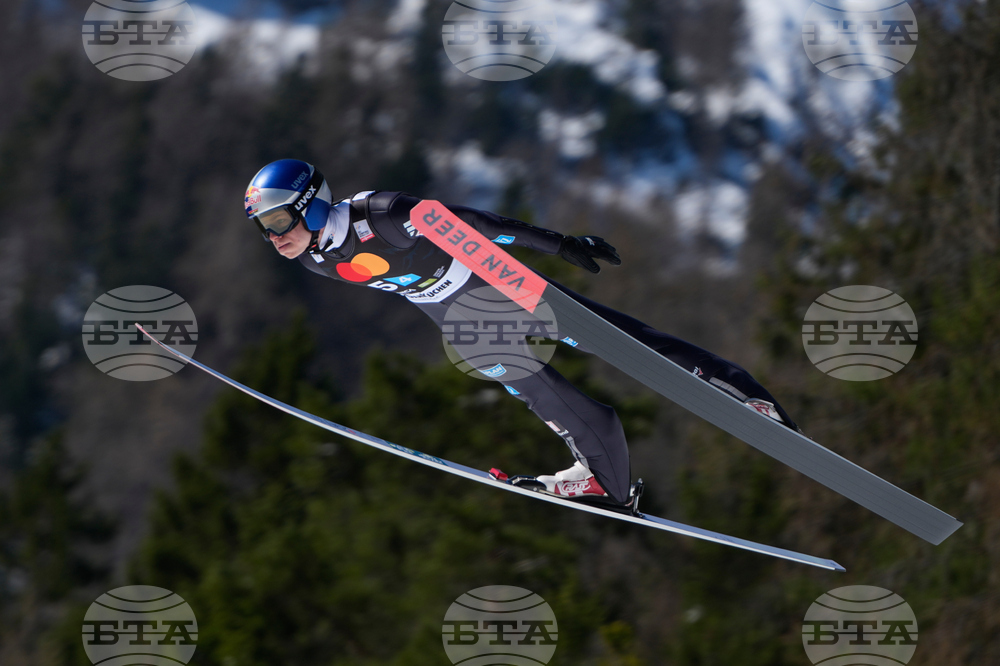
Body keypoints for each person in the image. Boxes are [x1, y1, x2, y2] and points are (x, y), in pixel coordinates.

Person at [244, 159, 801, 508]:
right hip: (456, 316)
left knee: (624, 344)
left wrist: (560, 244)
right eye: (262, 229)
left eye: (277, 222)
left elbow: (476, 224)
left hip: (494, 284)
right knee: (539, 392)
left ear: (310, 206)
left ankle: (741, 392)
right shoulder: (311, 255)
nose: (273, 238)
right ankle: (606, 480)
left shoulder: (381, 213)